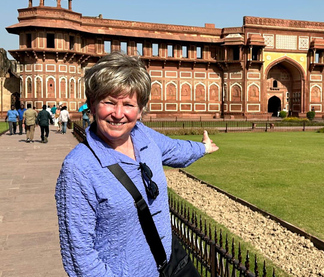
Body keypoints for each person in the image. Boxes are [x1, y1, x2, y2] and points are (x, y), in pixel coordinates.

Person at [55, 52, 218, 277]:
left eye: (128, 104)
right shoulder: (79, 168)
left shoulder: (143, 137)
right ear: (92, 105)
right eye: (109, 102)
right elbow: (80, 258)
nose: (118, 114)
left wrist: (203, 148)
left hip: (170, 262)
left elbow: (173, 149)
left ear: (140, 110)